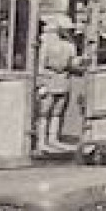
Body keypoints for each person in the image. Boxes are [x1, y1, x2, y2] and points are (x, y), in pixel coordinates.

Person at [35, 16, 82, 153]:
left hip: (63, 80)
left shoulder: (70, 46)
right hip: (50, 79)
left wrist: (79, 64)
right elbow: (40, 65)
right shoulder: (47, 44)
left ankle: (53, 139)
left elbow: (71, 63)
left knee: (57, 111)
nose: (69, 32)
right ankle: (41, 141)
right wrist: (41, 84)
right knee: (44, 111)